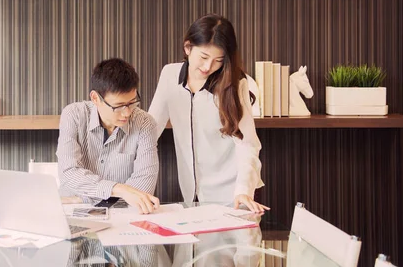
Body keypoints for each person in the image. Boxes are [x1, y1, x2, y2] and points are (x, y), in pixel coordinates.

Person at [148, 14, 268, 213]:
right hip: (191, 195)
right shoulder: (169, 75)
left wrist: (244, 189)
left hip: (235, 196)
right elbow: (150, 130)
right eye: (203, 57)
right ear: (188, 48)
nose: (207, 67)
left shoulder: (235, 84)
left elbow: (248, 144)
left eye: (218, 60)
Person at [57, 58, 160, 214]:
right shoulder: (74, 115)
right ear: (95, 98)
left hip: (121, 216)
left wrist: (83, 196)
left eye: (132, 102)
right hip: (72, 214)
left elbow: (143, 188)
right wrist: (120, 189)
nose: (127, 113)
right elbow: (69, 173)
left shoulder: (145, 123)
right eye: (118, 106)